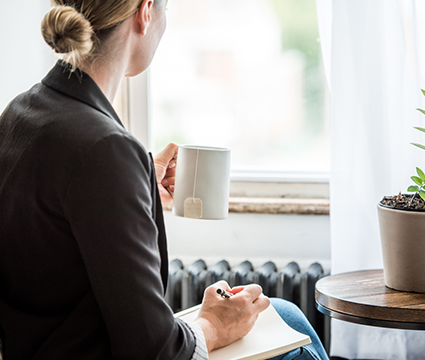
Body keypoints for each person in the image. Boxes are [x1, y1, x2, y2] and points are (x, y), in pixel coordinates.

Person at [0, 1, 329, 359]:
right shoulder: (104, 149)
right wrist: (213, 325)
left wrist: (134, 189)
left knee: (284, 313)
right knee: (292, 331)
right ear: (145, 12)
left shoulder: (20, 113)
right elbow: (155, 350)